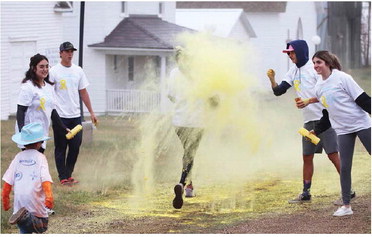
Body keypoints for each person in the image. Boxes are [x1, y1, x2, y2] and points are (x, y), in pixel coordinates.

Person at [267, 40, 347, 204]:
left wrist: (308, 101)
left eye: (292, 52)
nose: (290, 56)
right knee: (307, 156)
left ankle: (348, 190)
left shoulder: (314, 68)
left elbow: (327, 91)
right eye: (288, 53)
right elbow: (278, 91)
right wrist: (272, 79)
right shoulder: (293, 71)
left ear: (301, 52)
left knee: (333, 156)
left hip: (324, 119)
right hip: (308, 121)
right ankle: (305, 193)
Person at [308, 50, 370, 216]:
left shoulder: (343, 78)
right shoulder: (318, 87)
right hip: (342, 130)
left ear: (327, 63)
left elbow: (363, 99)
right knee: (344, 167)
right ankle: (346, 206)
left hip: (361, 123)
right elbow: (328, 113)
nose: (315, 66)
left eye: (318, 62)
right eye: (314, 63)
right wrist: (318, 129)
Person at [168, 46, 218, 209]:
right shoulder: (201, 74)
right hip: (196, 122)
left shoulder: (174, 73)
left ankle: (189, 186)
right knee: (190, 153)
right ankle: (182, 184)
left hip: (178, 121)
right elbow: (213, 100)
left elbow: (171, 96)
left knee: (188, 152)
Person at [49, 42, 98, 186]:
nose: (70, 54)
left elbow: (83, 92)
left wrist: (91, 112)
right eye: (67, 51)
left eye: (71, 51)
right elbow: (50, 93)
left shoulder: (78, 71)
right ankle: (62, 177)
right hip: (60, 116)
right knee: (61, 147)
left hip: (75, 115)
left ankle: (69, 174)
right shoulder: (54, 72)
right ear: (60, 53)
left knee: (75, 146)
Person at [2, 123, 54, 234]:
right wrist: (49, 199)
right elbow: (45, 180)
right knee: (42, 226)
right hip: (36, 206)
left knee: (24, 230)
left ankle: (25, 217)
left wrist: (5, 201)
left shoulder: (18, 157)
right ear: (39, 143)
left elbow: (7, 182)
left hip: (20, 205)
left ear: (23, 143)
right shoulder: (41, 158)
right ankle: (29, 218)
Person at [15, 53, 68, 154]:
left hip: (41, 132)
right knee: (31, 161)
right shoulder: (28, 87)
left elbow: (52, 111)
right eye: (41, 66)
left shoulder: (49, 87)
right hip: (29, 133)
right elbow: (21, 110)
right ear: (34, 68)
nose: (45, 69)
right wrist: (23, 132)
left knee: (38, 160)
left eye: (47, 66)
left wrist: (63, 128)